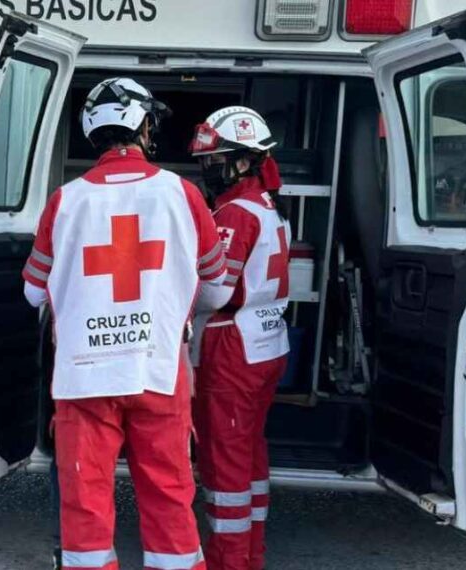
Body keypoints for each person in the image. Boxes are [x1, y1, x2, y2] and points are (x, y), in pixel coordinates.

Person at [22, 77, 226, 570]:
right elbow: (218, 289)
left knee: (86, 508)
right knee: (169, 498)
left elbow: (33, 292)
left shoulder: (65, 200)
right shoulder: (183, 194)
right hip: (158, 372)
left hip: (84, 378)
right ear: (143, 126)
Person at [187, 106, 291, 570]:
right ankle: (252, 555)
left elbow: (214, 292)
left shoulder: (232, 213)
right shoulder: (267, 205)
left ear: (245, 160)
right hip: (267, 341)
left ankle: (229, 561)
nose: (208, 170)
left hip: (231, 346)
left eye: (216, 161)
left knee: (224, 461)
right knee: (249, 455)